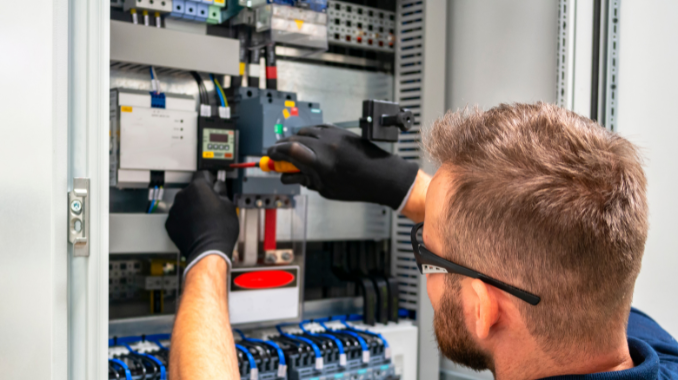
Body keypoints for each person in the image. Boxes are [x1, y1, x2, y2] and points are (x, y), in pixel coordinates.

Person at [164, 102, 678, 380]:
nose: (422, 260)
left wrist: (207, 256)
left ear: (482, 308)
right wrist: (404, 185)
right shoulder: (652, 351)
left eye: (425, 250)